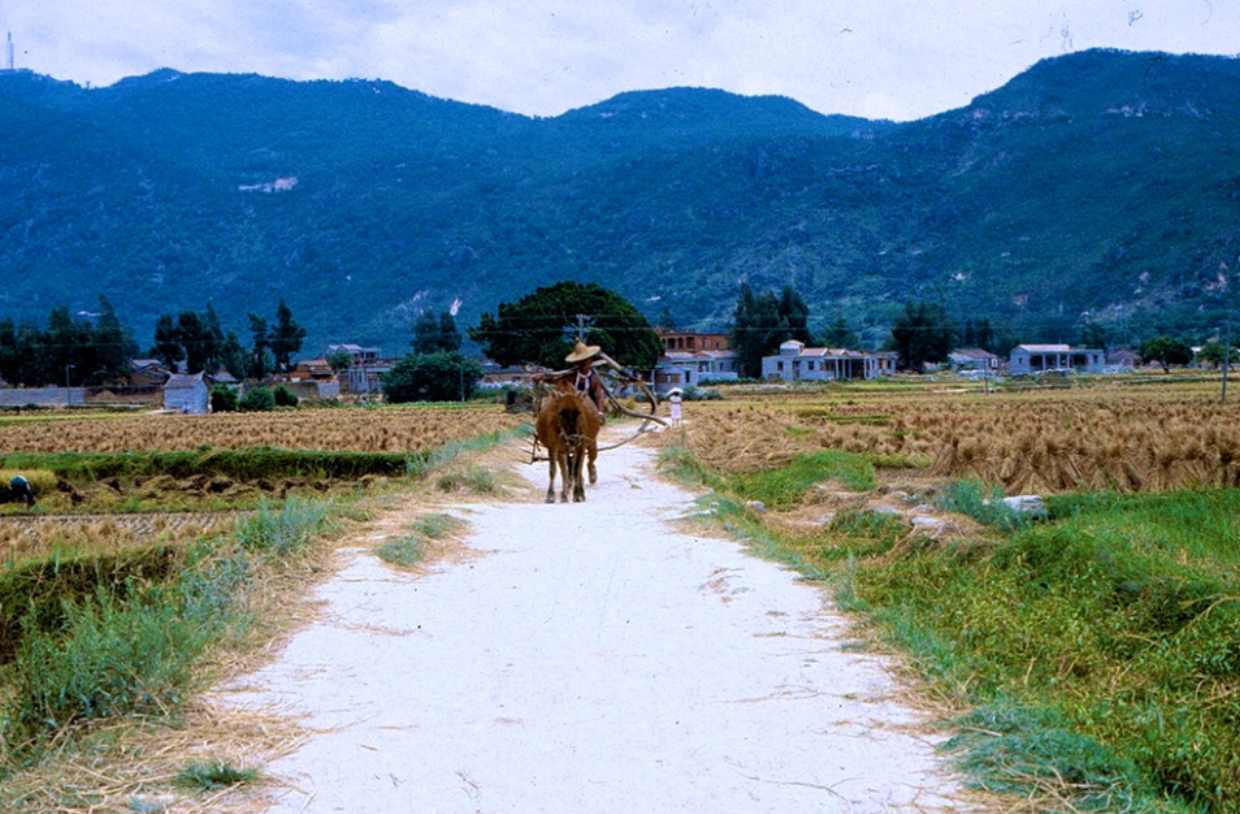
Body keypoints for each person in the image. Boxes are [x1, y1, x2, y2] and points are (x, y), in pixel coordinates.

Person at [564, 339, 609, 424]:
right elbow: (555, 380)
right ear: (577, 363)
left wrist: (600, 413)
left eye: (586, 360)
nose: (583, 363)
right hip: (574, 411)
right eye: (580, 361)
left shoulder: (594, 379)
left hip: (590, 411)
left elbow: (599, 398)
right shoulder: (571, 377)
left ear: (590, 361)